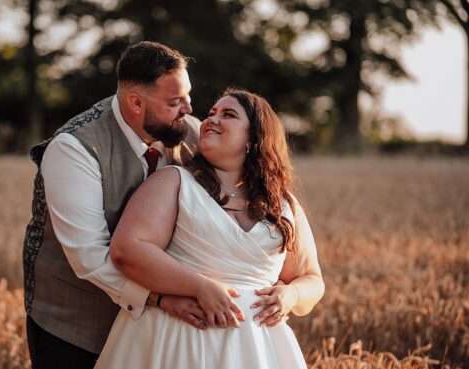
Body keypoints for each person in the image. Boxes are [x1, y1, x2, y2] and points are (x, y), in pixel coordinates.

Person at [94, 88, 325, 369]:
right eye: (211, 113)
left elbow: (311, 279)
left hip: (257, 351)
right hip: (177, 340)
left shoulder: (283, 205)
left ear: (254, 138)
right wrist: (199, 286)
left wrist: (292, 295)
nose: (210, 120)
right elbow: (127, 250)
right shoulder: (173, 182)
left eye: (228, 115)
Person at [22, 41, 211, 369]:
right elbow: (89, 256)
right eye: (175, 102)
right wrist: (161, 299)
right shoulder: (73, 149)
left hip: (156, 330)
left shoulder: (189, 135)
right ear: (136, 102)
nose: (189, 109)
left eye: (188, 96)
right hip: (74, 327)